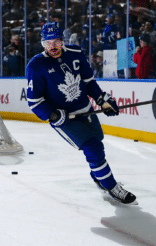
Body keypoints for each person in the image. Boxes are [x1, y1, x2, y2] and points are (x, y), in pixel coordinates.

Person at [26, 22, 137, 204]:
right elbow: (34, 101)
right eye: (47, 43)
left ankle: (98, 177)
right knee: (92, 147)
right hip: (64, 119)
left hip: (86, 110)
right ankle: (111, 186)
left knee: (97, 143)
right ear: (42, 44)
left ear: (62, 40)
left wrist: (102, 100)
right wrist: (53, 115)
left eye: (55, 42)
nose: (52, 47)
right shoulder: (36, 65)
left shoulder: (76, 53)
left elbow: (89, 82)